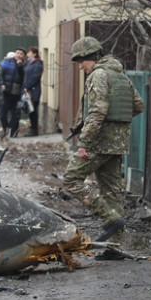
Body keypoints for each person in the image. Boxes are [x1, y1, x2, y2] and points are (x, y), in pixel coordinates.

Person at [62, 36, 144, 242]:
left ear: (94, 57)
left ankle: (110, 218)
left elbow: (97, 112)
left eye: (82, 61)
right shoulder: (119, 75)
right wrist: (116, 124)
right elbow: (137, 105)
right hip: (118, 142)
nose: (80, 66)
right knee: (111, 192)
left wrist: (84, 142)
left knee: (71, 180)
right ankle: (115, 246)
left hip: (99, 141)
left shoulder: (98, 75)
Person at [0, 49, 26, 138]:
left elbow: (24, 77)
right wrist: (2, 84)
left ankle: (13, 133)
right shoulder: (6, 62)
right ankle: (3, 132)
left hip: (18, 94)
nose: (19, 55)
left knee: (16, 115)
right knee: (3, 114)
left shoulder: (25, 65)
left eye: (21, 54)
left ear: (24, 56)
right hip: (6, 93)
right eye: (17, 53)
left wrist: (20, 66)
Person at [23, 46, 44, 136]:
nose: (27, 54)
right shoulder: (28, 63)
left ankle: (34, 129)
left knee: (33, 110)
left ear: (34, 54)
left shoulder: (38, 63)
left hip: (34, 90)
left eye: (29, 53)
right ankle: (32, 128)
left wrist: (28, 86)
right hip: (27, 90)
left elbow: (36, 77)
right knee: (30, 110)